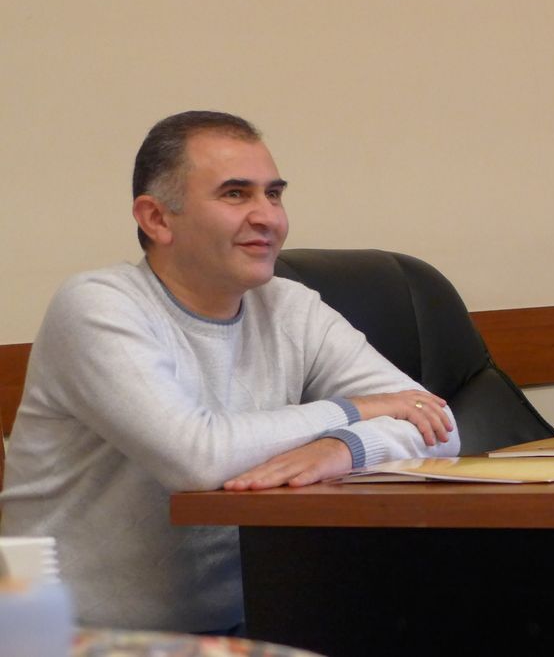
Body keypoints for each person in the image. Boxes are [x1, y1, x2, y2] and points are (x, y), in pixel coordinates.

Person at [0, 111, 460, 633]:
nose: (269, 218)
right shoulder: (96, 304)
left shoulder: (289, 305)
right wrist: (352, 410)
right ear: (156, 219)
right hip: (60, 633)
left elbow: (441, 426)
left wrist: (343, 448)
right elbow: (196, 457)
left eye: (274, 194)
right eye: (236, 194)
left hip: (241, 624)